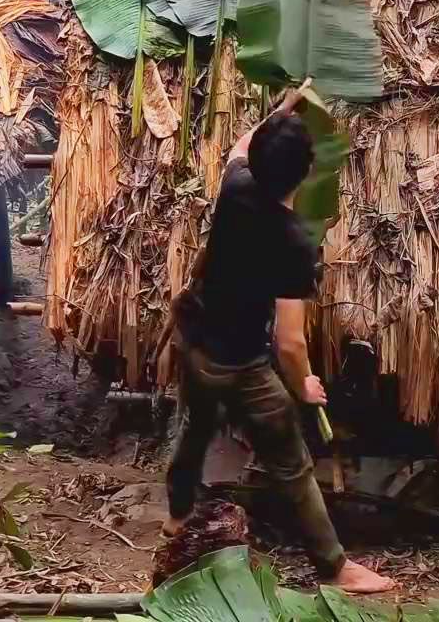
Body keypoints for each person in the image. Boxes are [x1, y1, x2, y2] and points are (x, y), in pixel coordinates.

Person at [164, 89, 394, 594]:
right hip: (244, 363)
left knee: (196, 429)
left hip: (199, 344)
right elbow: (290, 343)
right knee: (292, 463)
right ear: (306, 172)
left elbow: (242, 146)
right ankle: (334, 568)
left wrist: (283, 108)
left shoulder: (237, 186)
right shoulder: (294, 244)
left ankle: (178, 517)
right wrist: (306, 386)